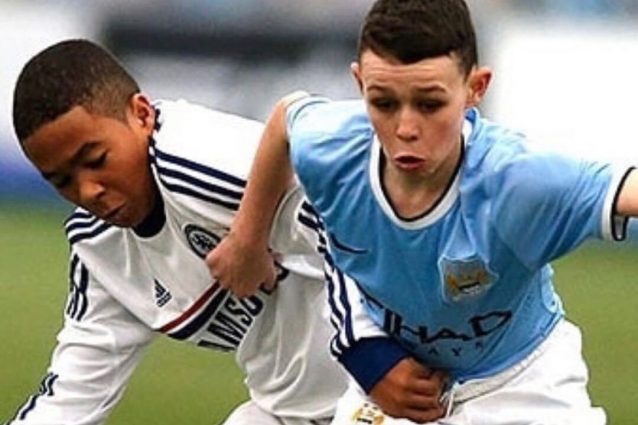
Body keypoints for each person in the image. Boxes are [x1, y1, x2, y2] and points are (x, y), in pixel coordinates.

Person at [206, 0, 638, 423]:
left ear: (476, 88)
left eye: (430, 105)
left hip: (521, 385)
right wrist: (247, 239)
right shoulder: (334, 148)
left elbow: (625, 190)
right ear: (359, 84)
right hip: (402, 390)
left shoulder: (518, 181)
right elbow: (286, 119)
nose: (406, 128)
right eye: (384, 103)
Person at [5, 38, 355, 425]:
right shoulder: (101, 248)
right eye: (62, 181)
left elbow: (358, 221)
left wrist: (376, 357)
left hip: (381, 392)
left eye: (96, 160)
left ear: (141, 114)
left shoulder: (199, 160)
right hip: (289, 412)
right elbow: (71, 395)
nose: (87, 191)